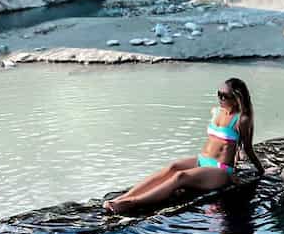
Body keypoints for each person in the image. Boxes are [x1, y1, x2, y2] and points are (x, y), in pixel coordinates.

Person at [103, 77, 264, 215]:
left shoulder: (242, 119)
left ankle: (132, 203)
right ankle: (124, 197)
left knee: (180, 177)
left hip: (220, 170)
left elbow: (248, 148)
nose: (220, 98)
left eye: (225, 96)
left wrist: (261, 171)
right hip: (203, 160)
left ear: (237, 98)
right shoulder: (217, 111)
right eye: (219, 94)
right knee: (173, 167)